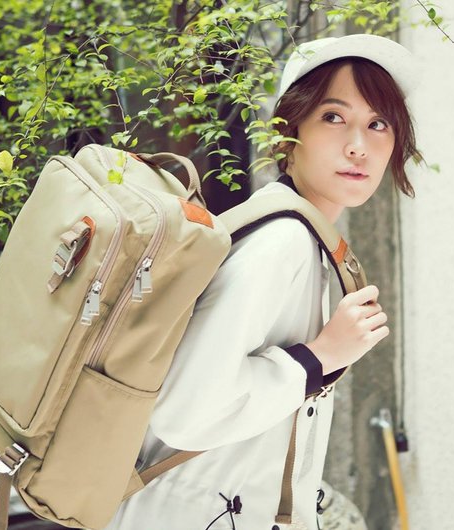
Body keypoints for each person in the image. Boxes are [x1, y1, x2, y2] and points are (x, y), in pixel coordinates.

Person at [104, 33, 421, 530]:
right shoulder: (282, 244)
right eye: (333, 117)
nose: (359, 146)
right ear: (288, 132)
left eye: (377, 124)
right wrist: (320, 358)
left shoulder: (304, 238)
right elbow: (185, 413)